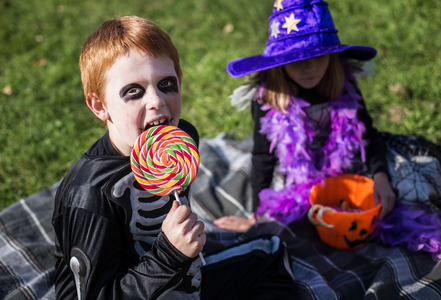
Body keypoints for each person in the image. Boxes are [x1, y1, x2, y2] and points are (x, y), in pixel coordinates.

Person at [53, 16, 297, 299]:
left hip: (183, 275)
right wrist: (169, 255)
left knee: (271, 254)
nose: (156, 100)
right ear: (99, 105)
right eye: (134, 92)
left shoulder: (180, 142)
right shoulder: (90, 196)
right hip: (143, 282)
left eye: (166, 83)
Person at [215, 0, 396, 232]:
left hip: (345, 169)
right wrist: (257, 216)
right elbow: (262, 157)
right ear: (281, 63)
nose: (309, 68)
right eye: (297, 60)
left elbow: (367, 133)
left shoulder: (344, 84)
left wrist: (380, 175)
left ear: (332, 55)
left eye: (318, 56)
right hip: (298, 176)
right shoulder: (269, 98)